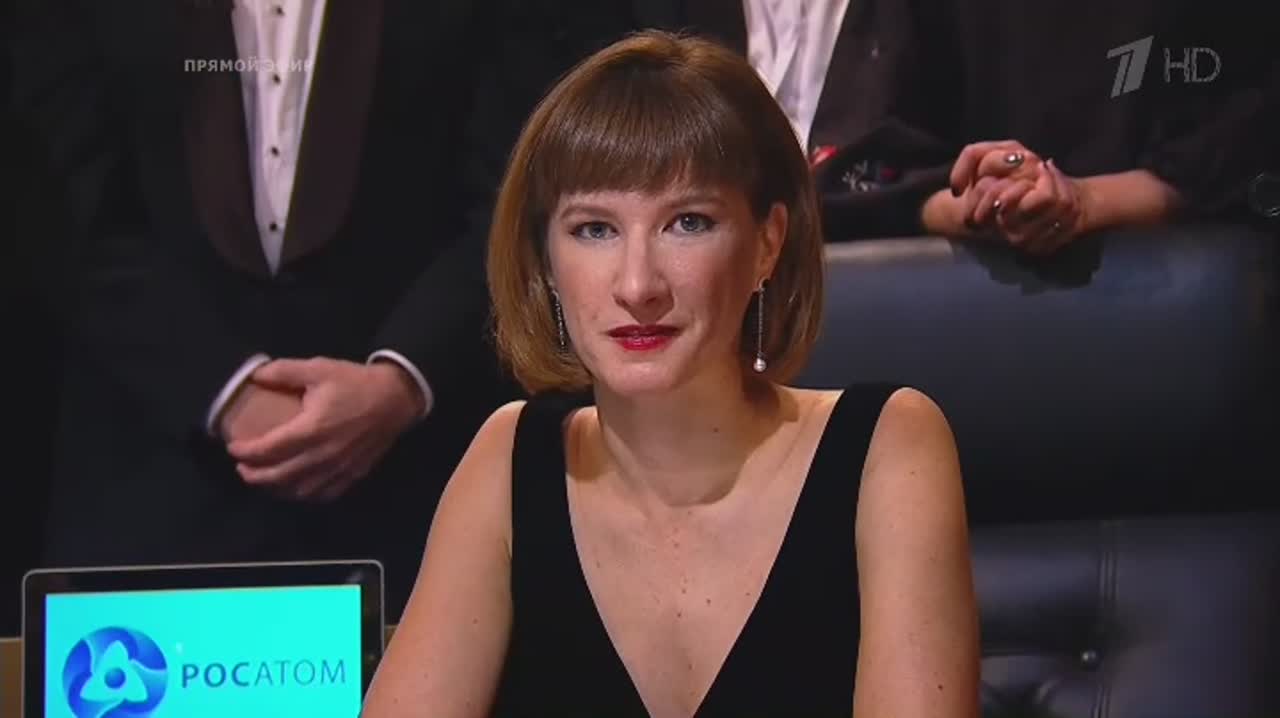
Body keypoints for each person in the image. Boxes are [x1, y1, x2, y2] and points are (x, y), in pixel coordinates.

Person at [362, 30, 980, 717]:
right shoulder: (508, 456)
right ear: (547, 261)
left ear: (768, 242)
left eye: (687, 222)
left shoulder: (890, 444)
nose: (638, 285)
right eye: (595, 229)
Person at [8, 0, 516, 619]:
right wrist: (223, 389)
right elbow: (56, 201)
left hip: (414, 492)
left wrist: (402, 380)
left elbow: (518, 191)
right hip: (146, 485)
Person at [813, 0, 1279, 253]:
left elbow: (1245, 145)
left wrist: (1087, 201)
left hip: (1192, 307)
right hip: (970, 316)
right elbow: (850, 170)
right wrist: (980, 204)